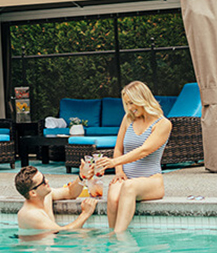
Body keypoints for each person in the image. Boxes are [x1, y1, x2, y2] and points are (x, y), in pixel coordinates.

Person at [94, 80, 172, 234]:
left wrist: (113, 162)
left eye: (132, 103)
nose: (130, 108)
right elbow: (118, 148)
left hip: (151, 180)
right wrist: (119, 172)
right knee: (114, 194)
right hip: (126, 178)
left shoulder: (163, 124)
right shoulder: (128, 119)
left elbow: (144, 150)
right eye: (127, 104)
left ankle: (119, 238)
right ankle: (111, 235)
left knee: (129, 187)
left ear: (143, 99)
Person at [15, 163, 97, 233]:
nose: (47, 181)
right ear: (33, 193)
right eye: (43, 182)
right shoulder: (31, 214)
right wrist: (86, 213)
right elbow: (62, 232)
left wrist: (82, 177)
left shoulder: (46, 196)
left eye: (44, 177)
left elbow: (70, 193)